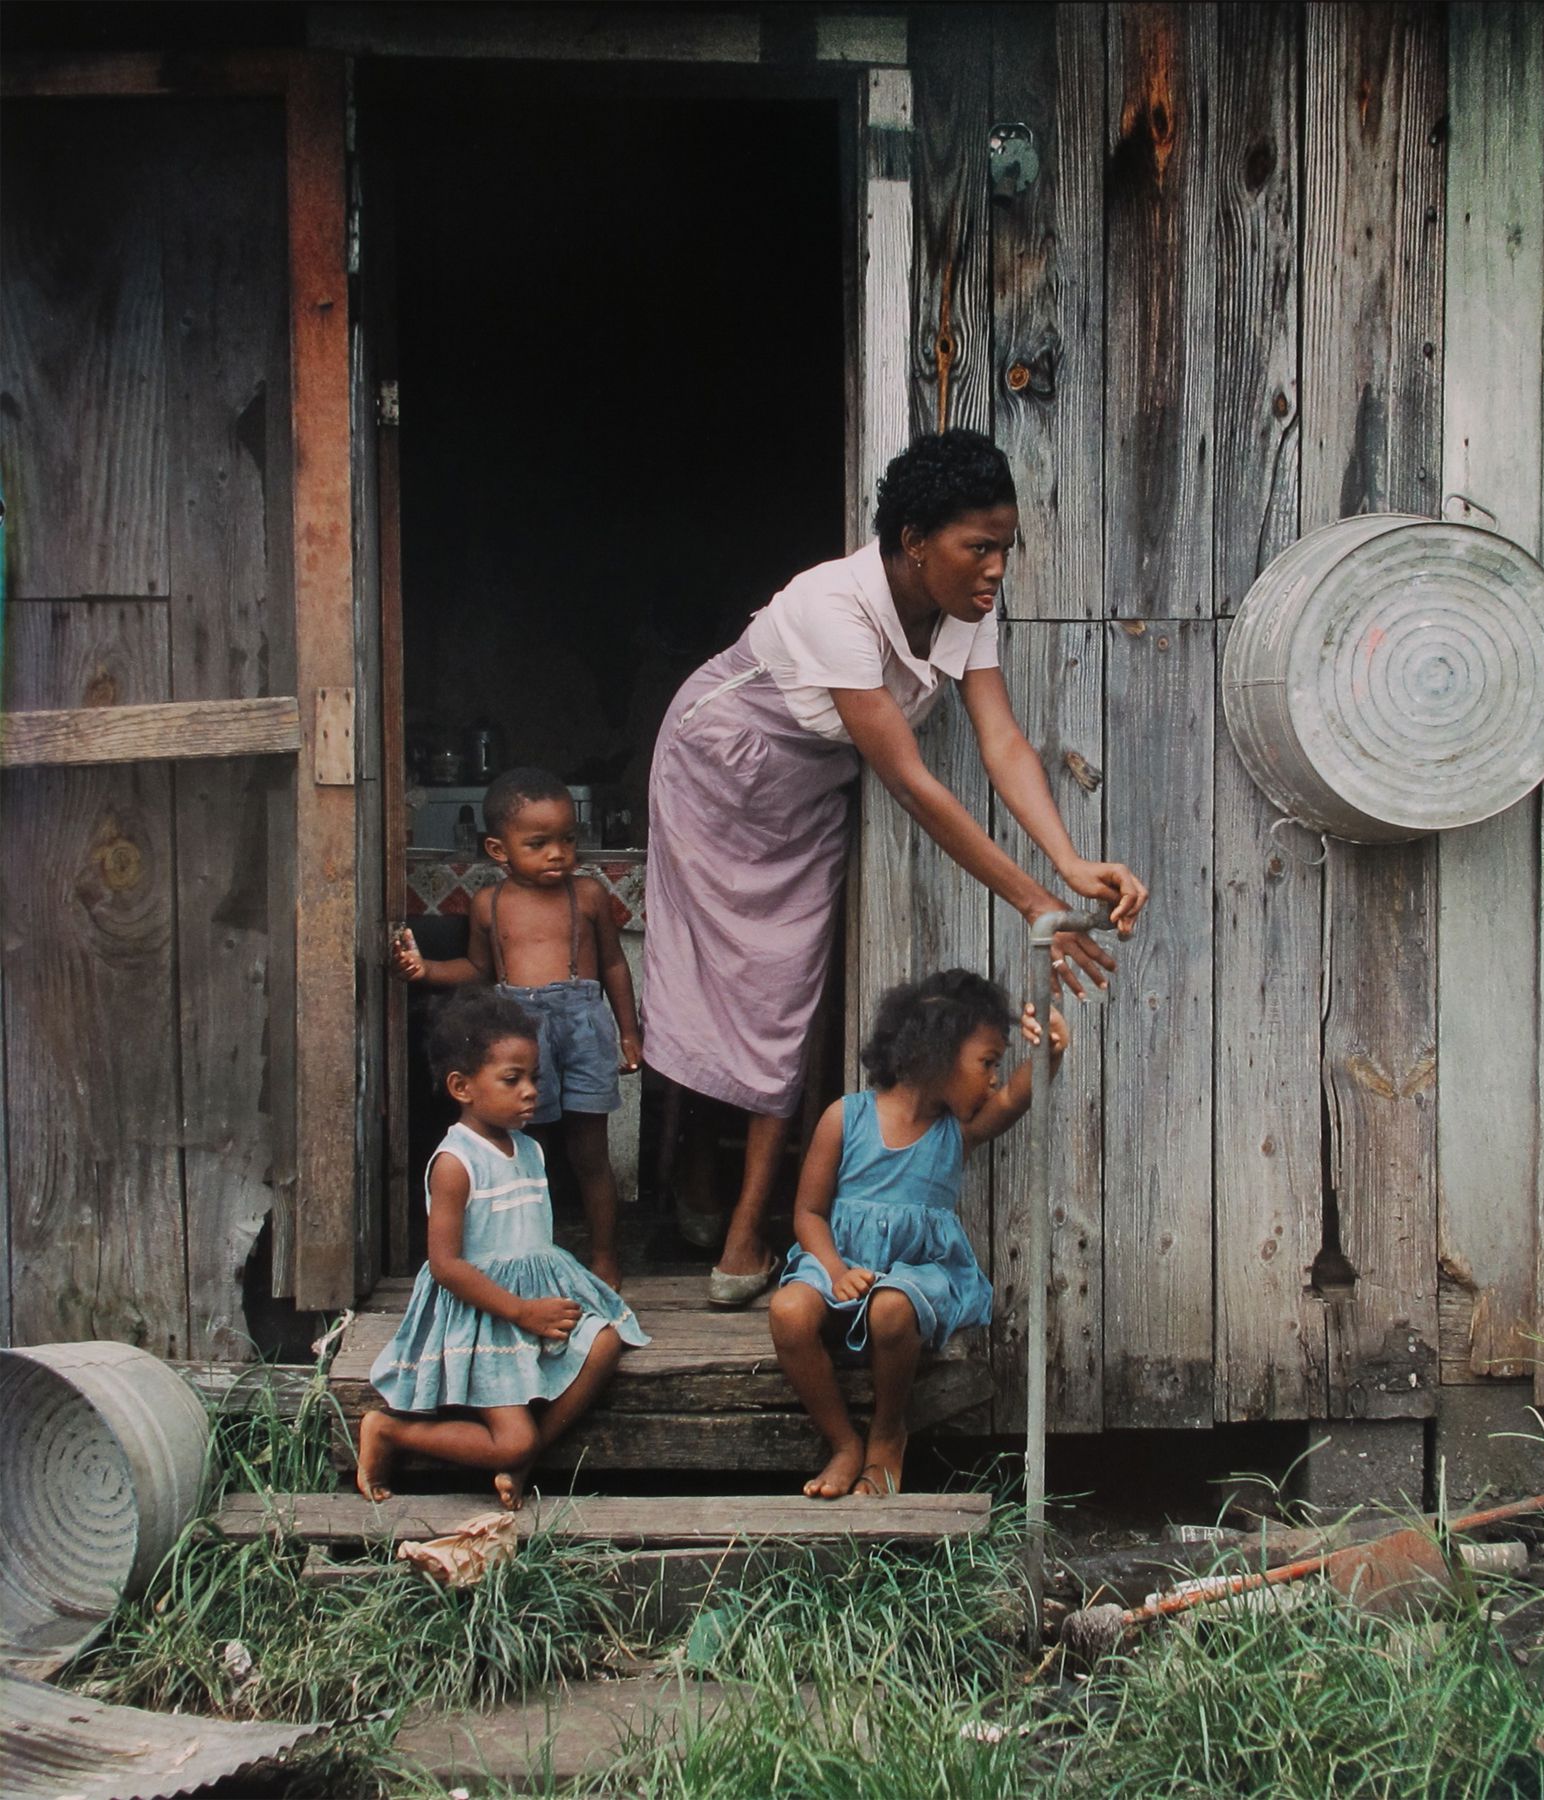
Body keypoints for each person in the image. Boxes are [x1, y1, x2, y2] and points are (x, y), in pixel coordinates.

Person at [645, 430, 1147, 1307]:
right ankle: (724, 1221)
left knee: (786, 989)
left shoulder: (967, 607)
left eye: (1004, 548)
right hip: (719, 764)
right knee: (729, 986)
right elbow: (912, 784)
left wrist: (1068, 863)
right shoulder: (831, 603)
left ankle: (736, 1225)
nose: (995, 569)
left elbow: (999, 738)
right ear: (914, 540)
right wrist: (1039, 906)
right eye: (977, 548)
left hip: (803, 780)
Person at [769, 968, 1066, 1498]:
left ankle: (886, 1435)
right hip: (840, 1264)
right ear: (934, 1052)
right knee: (788, 1312)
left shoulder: (959, 1131)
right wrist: (834, 1272)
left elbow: (1016, 1097)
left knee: (890, 1307)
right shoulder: (846, 1118)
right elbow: (809, 1214)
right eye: (987, 1063)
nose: (995, 1078)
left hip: (914, 1275)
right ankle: (843, 1442)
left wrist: (1051, 1048)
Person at [356, 989, 649, 1509]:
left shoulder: (529, 1149)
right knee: (513, 1435)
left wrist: (542, 1304)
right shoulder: (455, 1162)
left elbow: (530, 1243)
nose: (531, 1091)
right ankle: (391, 1433)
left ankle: (522, 1458)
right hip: (485, 1313)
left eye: (534, 1077)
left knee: (605, 1340)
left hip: (532, 1300)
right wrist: (522, 1313)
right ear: (461, 1087)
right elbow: (445, 1267)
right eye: (512, 1080)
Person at [395, 767, 641, 1289]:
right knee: (531, 1150)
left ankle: (604, 1255)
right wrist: (428, 971)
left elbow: (615, 966)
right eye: (538, 843)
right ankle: (532, 1256)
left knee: (591, 1151)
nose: (558, 853)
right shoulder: (489, 904)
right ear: (498, 849)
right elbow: (478, 972)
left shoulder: (590, 897)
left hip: (583, 1029)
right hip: (522, 1037)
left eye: (567, 840)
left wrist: (629, 1032)